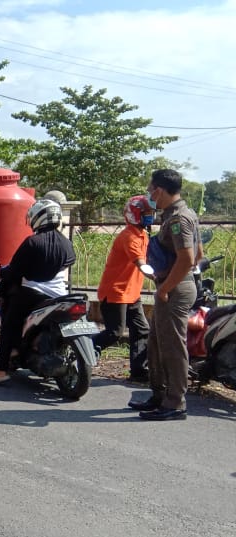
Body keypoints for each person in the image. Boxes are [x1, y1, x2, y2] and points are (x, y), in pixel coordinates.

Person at [130, 169, 199, 421]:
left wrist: (165, 289)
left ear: (159, 189)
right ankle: (159, 396)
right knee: (157, 344)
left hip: (174, 289)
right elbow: (199, 253)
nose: (149, 195)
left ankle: (175, 403)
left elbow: (188, 259)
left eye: (150, 190)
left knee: (172, 347)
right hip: (172, 285)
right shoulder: (182, 214)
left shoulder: (179, 219)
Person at [0, 199, 76, 385]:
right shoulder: (66, 243)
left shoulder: (32, 242)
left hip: (32, 294)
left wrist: (2, 278)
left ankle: (1, 371)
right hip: (58, 295)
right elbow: (69, 261)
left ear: (37, 218)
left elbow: (15, 270)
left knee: (9, 326)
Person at [92, 196, 152, 383]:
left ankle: (139, 373)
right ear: (134, 215)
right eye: (146, 214)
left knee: (142, 330)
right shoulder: (129, 237)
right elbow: (140, 263)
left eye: (151, 214)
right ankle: (84, 349)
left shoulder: (143, 234)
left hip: (132, 293)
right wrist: (158, 277)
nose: (150, 217)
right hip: (116, 292)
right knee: (114, 333)